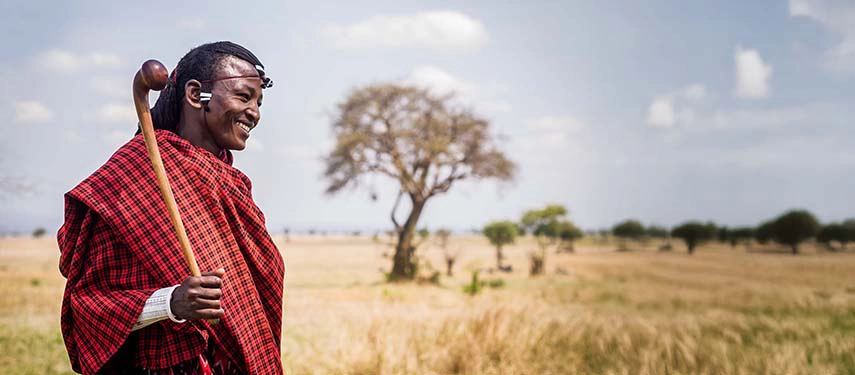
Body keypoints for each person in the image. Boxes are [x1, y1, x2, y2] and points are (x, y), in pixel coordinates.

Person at [57, 41, 284, 374]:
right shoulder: (134, 175)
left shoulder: (232, 184)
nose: (255, 113)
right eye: (243, 96)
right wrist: (171, 302)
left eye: (259, 102)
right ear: (195, 95)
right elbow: (89, 308)